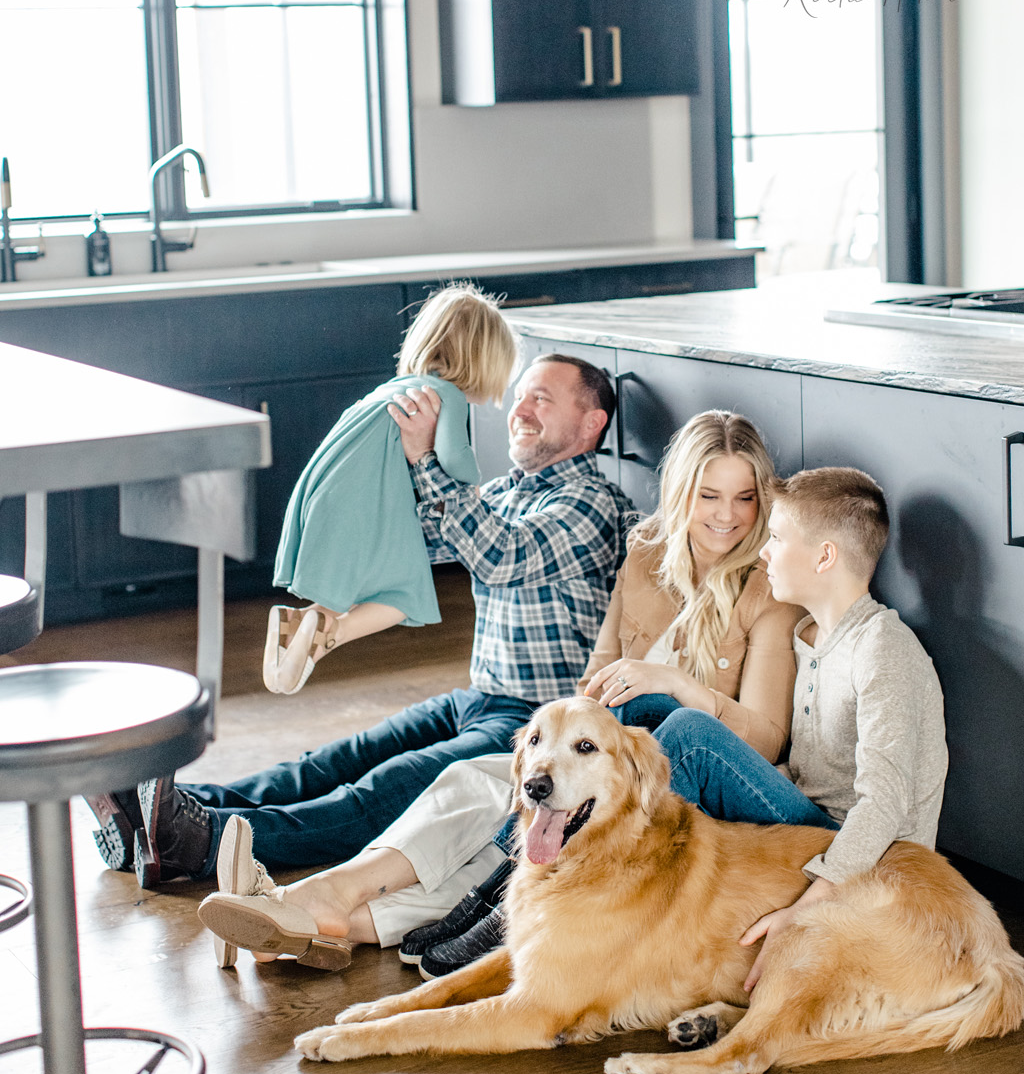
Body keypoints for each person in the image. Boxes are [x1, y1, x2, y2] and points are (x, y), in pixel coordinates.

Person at [196, 411, 808, 971]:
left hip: (682, 789)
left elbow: (766, 739)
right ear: (681, 495)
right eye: (709, 496)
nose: (727, 516)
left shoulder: (766, 589)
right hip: (607, 763)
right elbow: (595, 676)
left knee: (502, 806)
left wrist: (674, 682)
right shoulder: (646, 554)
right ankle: (337, 918)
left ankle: (317, 904)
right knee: (481, 786)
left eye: (745, 498)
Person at [87, 353, 633, 913]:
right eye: (521, 395)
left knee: (378, 793)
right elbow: (425, 547)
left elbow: (499, 555)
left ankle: (196, 841)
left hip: (535, 722)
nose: (520, 408)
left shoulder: (591, 503)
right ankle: (157, 812)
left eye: (541, 398)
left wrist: (425, 455)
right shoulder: (505, 493)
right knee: (329, 763)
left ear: (591, 423)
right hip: (479, 696)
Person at [654, 465, 948, 993]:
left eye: (778, 538)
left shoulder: (883, 648)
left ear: (825, 556)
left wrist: (805, 909)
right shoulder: (808, 636)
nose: (763, 551)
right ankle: (504, 898)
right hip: (809, 817)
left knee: (688, 735)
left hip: (861, 855)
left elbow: (884, 803)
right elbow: (809, 770)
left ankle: (594, 902)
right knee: (644, 711)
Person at [265, 282, 518, 694]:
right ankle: (321, 632)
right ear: (485, 360)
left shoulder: (390, 389)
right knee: (402, 594)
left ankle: (307, 623)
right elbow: (453, 457)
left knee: (359, 586)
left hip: (324, 498)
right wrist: (477, 482)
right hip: (366, 507)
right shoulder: (444, 395)